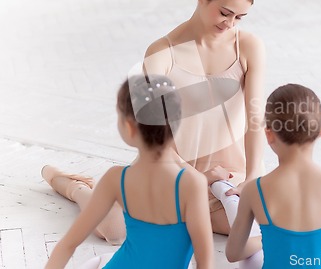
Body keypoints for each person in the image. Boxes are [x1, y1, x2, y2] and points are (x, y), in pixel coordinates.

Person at [41, 0, 265, 245]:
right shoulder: (161, 53)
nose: (230, 23)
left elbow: (256, 117)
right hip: (173, 174)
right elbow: (155, 135)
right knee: (116, 231)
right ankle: (75, 187)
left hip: (228, 179)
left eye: (239, 17)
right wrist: (197, 178)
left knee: (254, 229)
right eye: (225, 12)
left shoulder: (248, 47)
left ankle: (189, 216)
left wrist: (253, 176)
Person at [44, 75, 214, 269]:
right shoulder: (193, 183)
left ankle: (61, 180)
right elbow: (205, 263)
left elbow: (68, 244)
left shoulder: (116, 178)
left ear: (129, 127)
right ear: (176, 125)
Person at [225, 83, 321, 268]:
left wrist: (268, 238)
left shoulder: (255, 190)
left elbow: (233, 254)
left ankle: (222, 186)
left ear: (268, 135)